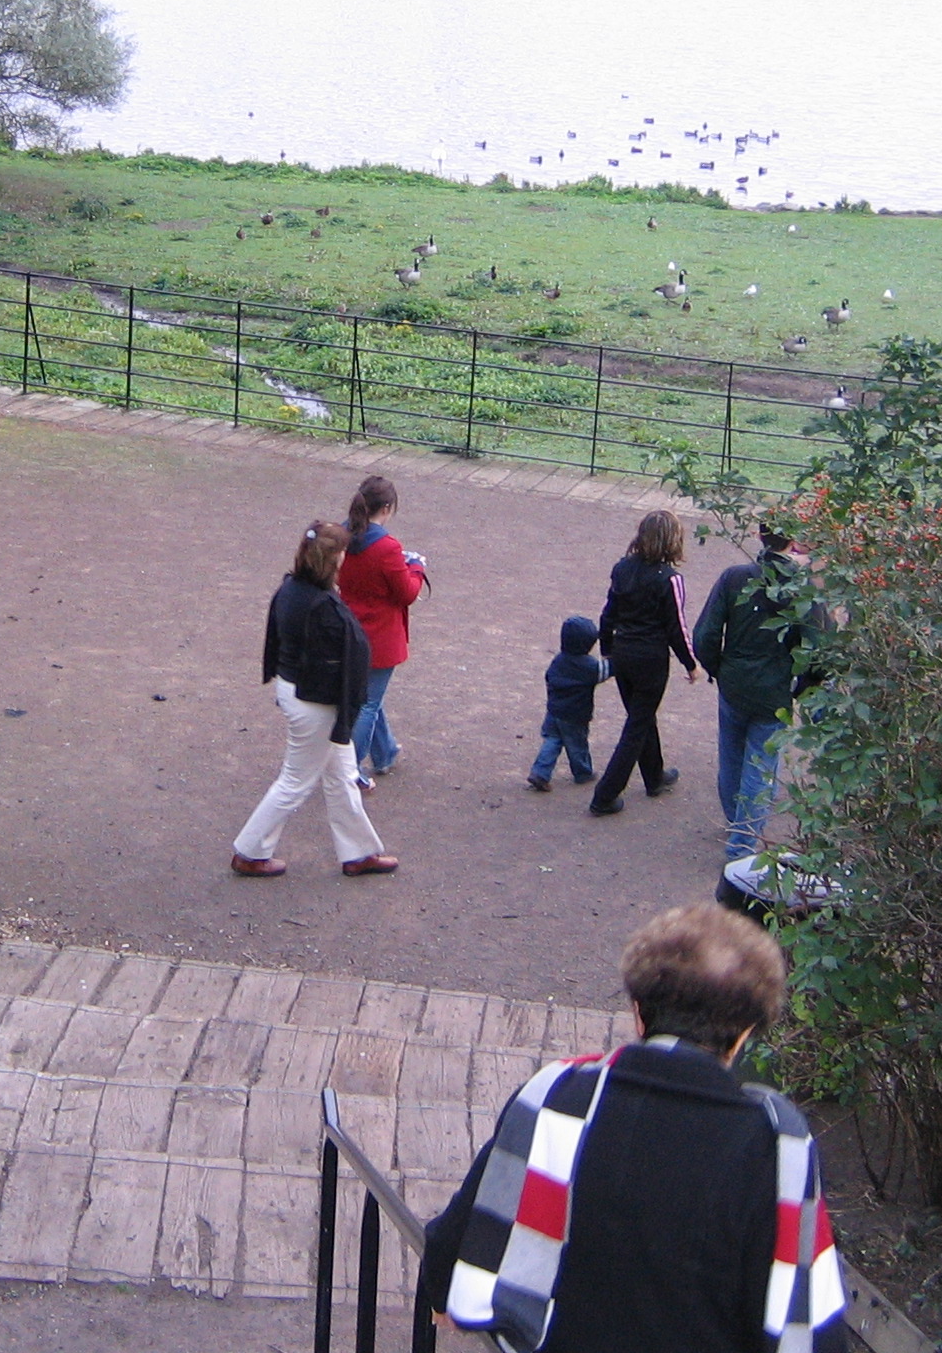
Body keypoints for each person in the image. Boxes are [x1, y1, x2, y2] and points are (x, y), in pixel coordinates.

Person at [417, 903, 848, 1353]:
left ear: (638, 1013)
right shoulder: (775, 1142)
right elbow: (810, 1322)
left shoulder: (560, 1094)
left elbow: (453, 1246)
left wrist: (449, 1290)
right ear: (743, 1034)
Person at [233, 519, 398, 879]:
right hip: (315, 704)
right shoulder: (322, 606)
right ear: (333, 559)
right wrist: (345, 710)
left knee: (342, 775)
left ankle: (360, 853)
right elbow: (339, 662)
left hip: (299, 693)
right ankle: (248, 851)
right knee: (295, 781)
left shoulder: (292, 589)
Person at [694, 521, 822, 867]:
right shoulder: (803, 590)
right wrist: (805, 686)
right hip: (774, 690)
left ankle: (736, 823)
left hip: (734, 682)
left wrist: (717, 669)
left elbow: (705, 634)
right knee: (761, 767)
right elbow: (819, 646)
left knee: (731, 756)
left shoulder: (734, 577)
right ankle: (742, 844)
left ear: (759, 536)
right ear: (793, 541)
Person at [589, 510, 698, 816]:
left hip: (623, 653)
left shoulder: (622, 568)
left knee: (641, 716)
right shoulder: (671, 579)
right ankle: (605, 795)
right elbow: (677, 627)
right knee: (636, 725)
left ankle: (654, 776)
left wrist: (608, 648)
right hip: (651, 659)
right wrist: (690, 663)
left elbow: (608, 612)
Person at [336, 474, 426, 788]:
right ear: (386, 508)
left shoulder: (340, 535)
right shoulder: (387, 547)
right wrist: (416, 567)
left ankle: (385, 752)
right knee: (368, 702)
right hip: (380, 636)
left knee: (370, 697)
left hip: (348, 627)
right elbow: (407, 593)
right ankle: (352, 770)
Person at [526, 615, 608, 790]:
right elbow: (604, 672)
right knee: (578, 744)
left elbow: (549, 677)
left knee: (552, 741)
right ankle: (583, 772)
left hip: (554, 711)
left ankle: (540, 772)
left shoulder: (559, 660)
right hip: (575, 715)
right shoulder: (588, 665)